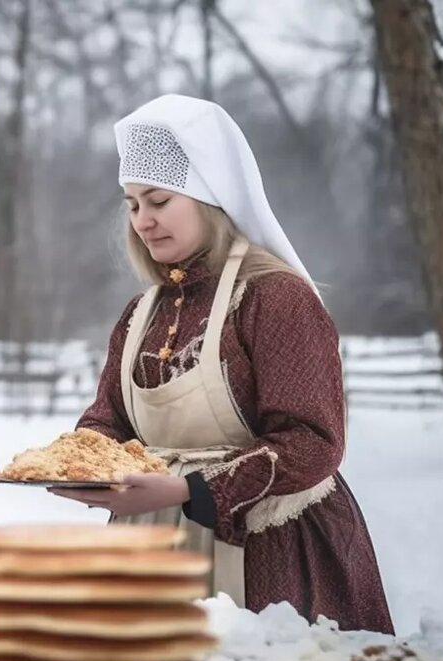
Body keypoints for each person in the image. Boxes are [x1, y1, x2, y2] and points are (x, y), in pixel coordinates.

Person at [50, 94, 394, 633]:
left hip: (270, 552)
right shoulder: (140, 314)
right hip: (155, 548)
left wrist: (192, 489)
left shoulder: (276, 298)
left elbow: (311, 440)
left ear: (209, 197)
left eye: (159, 200)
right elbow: (107, 420)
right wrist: (85, 464)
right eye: (132, 203)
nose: (143, 220)